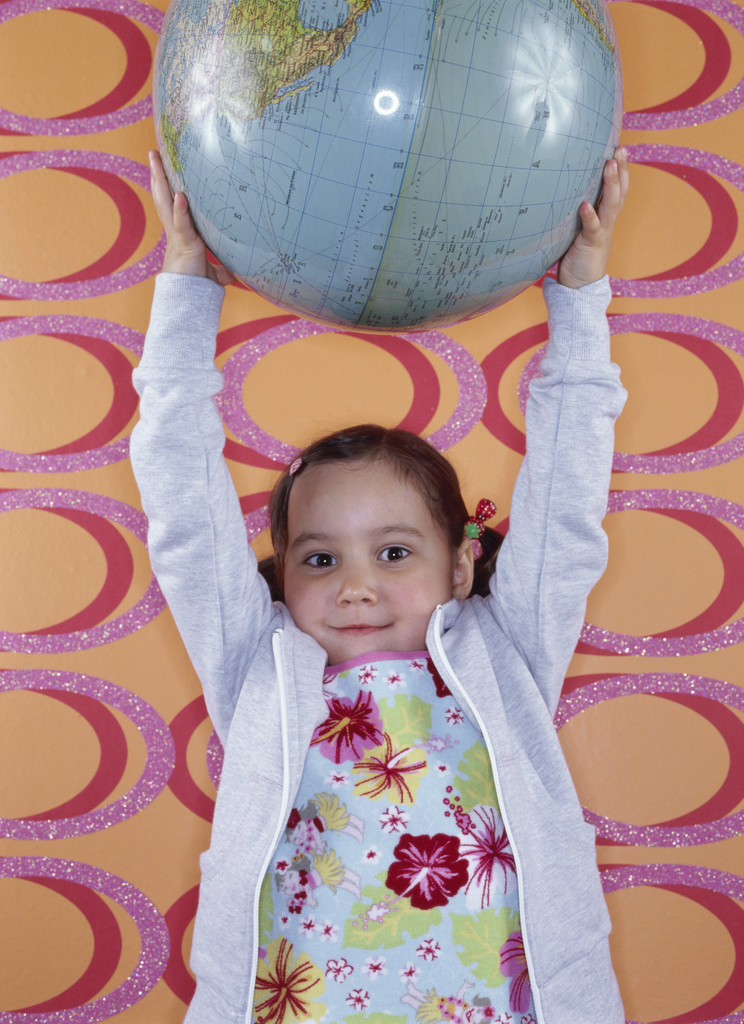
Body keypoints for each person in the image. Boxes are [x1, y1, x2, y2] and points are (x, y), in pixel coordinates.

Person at [131, 148, 629, 1024]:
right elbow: (179, 498)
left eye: (394, 553)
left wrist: (580, 301)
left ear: (463, 564)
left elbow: (567, 503)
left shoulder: (506, 651)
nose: (356, 587)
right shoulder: (261, 666)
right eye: (319, 559)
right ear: (281, 576)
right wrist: (185, 291)